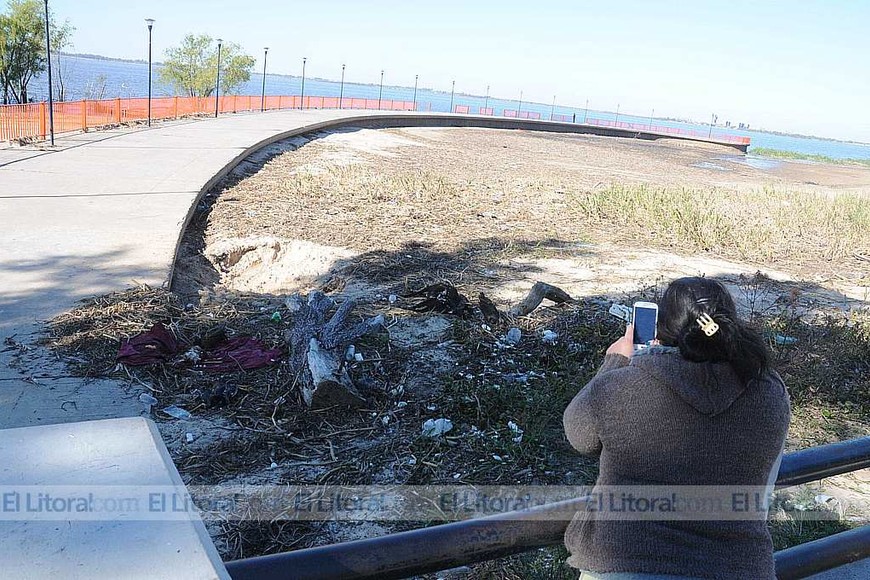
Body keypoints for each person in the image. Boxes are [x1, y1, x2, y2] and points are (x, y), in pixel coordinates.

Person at [563, 276, 791, 580]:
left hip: (624, 565)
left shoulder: (620, 387)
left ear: (661, 328)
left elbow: (578, 435)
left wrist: (616, 361)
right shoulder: (769, 391)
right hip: (740, 567)